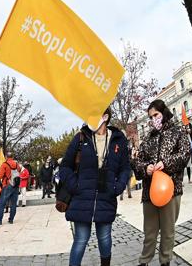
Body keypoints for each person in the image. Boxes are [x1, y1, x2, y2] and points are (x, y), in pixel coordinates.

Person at [59, 108, 131, 266]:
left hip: (106, 197)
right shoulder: (80, 137)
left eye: (94, 115)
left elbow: (126, 168)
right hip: (81, 198)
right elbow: (64, 167)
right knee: (80, 240)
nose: (89, 118)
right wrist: (75, 186)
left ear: (105, 117)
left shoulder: (118, 140)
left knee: (105, 238)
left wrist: (117, 187)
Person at [133, 100, 190, 266]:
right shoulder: (148, 138)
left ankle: (165, 261)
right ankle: (144, 261)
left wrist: (165, 162)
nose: (153, 120)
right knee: (149, 232)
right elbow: (136, 162)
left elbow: (185, 154)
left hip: (170, 190)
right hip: (149, 192)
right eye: (151, 117)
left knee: (167, 231)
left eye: (156, 115)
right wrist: (146, 168)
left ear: (164, 113)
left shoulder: (177, 132)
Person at [0, 152, 22, 225]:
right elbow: (19, 172)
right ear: (12, 156)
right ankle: (11, 219)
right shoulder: (17, 164)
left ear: (6, 157)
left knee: (2, 203)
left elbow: (0, 176)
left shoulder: (4, 164)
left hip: (7, 185)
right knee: (13, 204)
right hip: (15, 185)